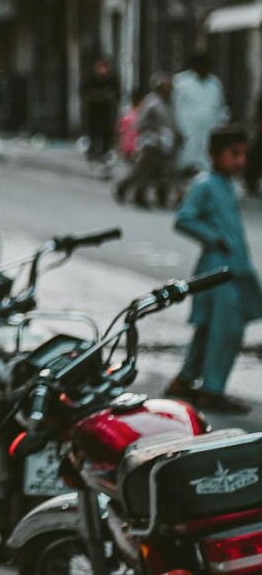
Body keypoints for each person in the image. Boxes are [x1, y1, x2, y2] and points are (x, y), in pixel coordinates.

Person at [167, 126, 262, 413]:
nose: (240, 161)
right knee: (226, 331)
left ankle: (185, 380)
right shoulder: (205, 184)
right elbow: (184, 219)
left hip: (230, 267)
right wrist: (214, 238)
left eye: (244, 155)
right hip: (218, 269)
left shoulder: (224, 185)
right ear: (214, 154)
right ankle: (212, 389)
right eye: (234, 154)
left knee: (209, 329)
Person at [115, 74, 180, 208]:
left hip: (166, 143)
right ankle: (132, 190)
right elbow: (140, 122)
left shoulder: (170, 104)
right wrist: (153, 130)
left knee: (164, 172)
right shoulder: (151, 103)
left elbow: (173, 122)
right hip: (151, 142)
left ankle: (162, 196)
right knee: (143, 171)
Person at [173, 51, 228, 173]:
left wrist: (221, 123)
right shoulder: (181, 83)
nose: (204, 68)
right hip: (187, 129)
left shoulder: (215, 84)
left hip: (209, 129)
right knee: (185, 161)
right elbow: (174, 106)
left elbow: (220, 106)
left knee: (206, 162)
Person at [81, 57, 119, 163]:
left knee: (106, 130)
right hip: (93, 109)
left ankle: (104, 151)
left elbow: (115, 92)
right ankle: (93, 151)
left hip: (106, 109)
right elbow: (84, 91)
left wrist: (107, 95)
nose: (102, 70)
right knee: (93, 130)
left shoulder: (110, 78)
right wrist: (94, 94)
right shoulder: (90, 77)